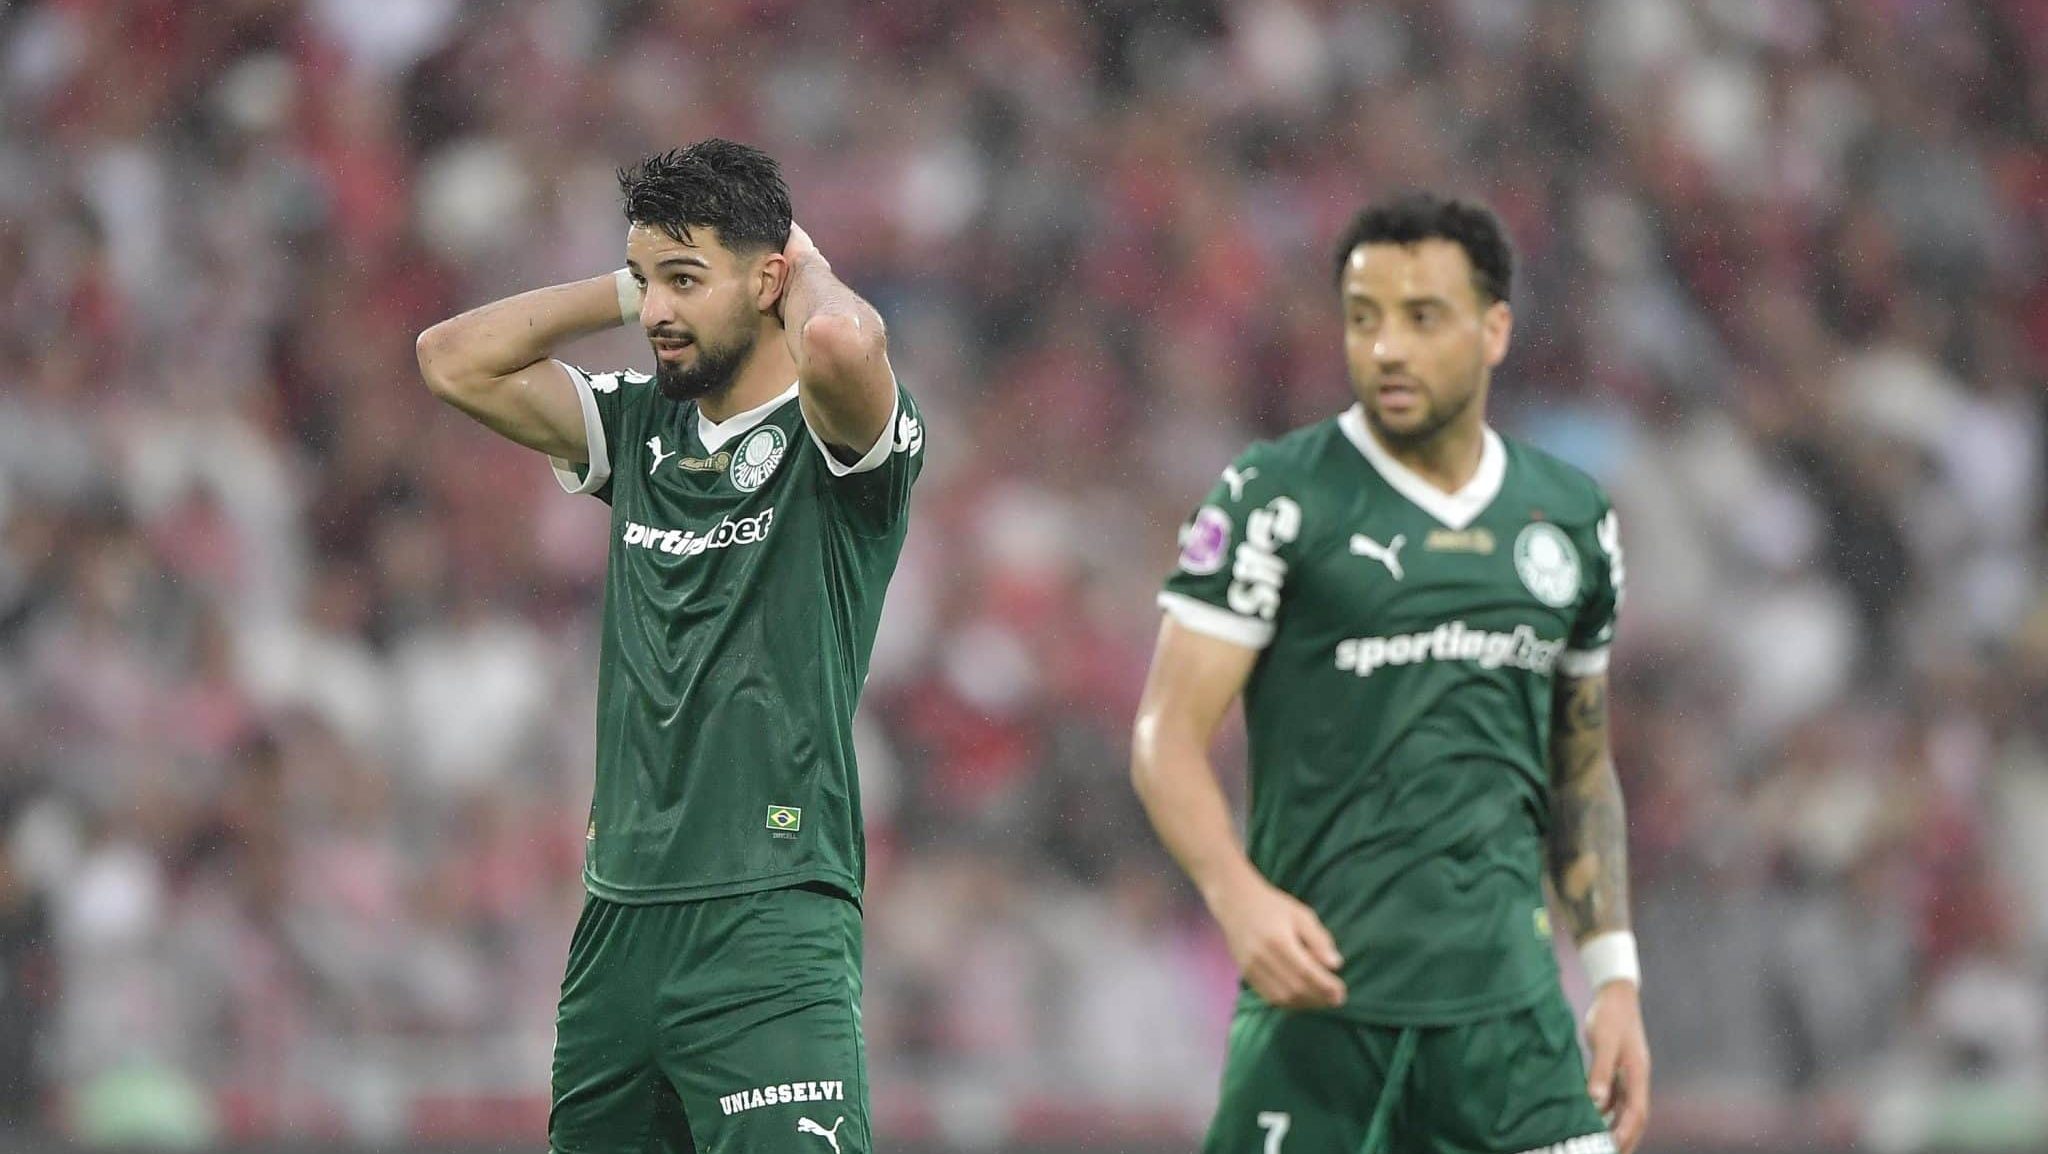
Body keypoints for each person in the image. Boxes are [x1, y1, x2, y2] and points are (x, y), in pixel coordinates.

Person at [416, 139, 922, 1154]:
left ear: (770, 279)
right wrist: (632, 281)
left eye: (683, 281)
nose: (655, 313)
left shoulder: (840, 448)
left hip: (769, 917)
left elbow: (836, 343)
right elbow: (450, 357)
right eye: (647, 282)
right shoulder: (640, 427)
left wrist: (798, 258)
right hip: (617, 928)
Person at [1131, 193, 1650, 1154]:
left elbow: (1580, 769)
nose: (1386, 349)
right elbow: (1165, 736)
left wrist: (1614, 977)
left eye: (1422, 317)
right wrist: (1238, 897)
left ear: (1495, 330)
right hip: (1325, 1014)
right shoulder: (1275, 498)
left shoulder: (1571, 520)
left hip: (1513, 1023)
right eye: (1363, 319)